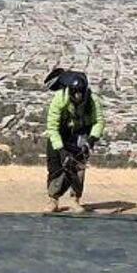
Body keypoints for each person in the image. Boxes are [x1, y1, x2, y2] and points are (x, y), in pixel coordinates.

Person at [41, 69, 105, 212]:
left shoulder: (93, 100)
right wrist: (61, 149)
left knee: (78, 167)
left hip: (80, 132)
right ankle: (53, 200)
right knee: (55, 166)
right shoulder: (59, 99)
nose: (78, 95)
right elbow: (52, 127)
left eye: (80, 92)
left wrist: (91, 139)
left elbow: (99, 121)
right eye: (75, 92)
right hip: (60, 132)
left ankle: (75, 199)